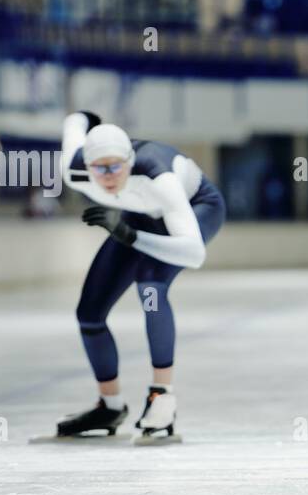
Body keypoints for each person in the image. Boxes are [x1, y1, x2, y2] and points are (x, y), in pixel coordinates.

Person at [52, 110, 225, 439]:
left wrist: (130, 236)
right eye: (99, 168)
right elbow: (72, 127)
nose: (108, 176)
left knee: (151, 286)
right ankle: (110, 405)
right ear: (85, 167)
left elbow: (194, 253)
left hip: (196, 207)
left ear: (130, 160)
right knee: (89, 313)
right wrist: (85, 117)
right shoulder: (73, 170)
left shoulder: (158, 177)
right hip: (139, 216)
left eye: (116, 166)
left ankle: (162, 396)